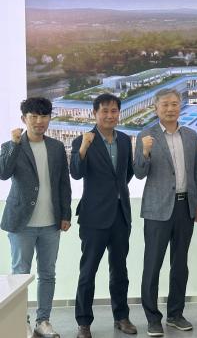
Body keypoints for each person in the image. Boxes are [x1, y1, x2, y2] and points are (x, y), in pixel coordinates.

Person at [134, 88, 197, 337]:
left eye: (174, 104)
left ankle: (176, 314)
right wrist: (145, 152)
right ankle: (152, 318)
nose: (170, 108)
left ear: (180, 106)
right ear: (156, 108)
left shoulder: (191, 135)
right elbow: (139, 173)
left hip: (186, 207)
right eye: (165, 104)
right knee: (152, 265)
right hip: (157, 210)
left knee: (180, 264)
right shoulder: (146, 135)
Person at [0, 97, 71, 338]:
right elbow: (3, 173)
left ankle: (43, 321)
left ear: (49, 118)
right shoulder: (12, 145)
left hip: (51, 223)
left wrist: (65, 214)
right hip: (22, 223)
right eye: (33, 116)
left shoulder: (56, 147)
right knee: (20, 275)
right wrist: (14, 143)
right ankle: (21, 321)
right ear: (24, 119)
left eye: (44, 116)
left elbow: (63, 183)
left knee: (47, 274)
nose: (39, 121)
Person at [70, 93, 136, 338]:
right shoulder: (83, 140)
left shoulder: (125, 140)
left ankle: (121, 317)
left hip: (120, 214)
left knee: (120, 271)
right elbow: (76, 173)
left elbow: (126, 174)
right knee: (88, 272)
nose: (109, 115)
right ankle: (83, 323)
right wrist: (84, 148)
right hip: (94, 216)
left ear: (119, 113)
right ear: (95, 113)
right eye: (104, 111)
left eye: (114, 111)